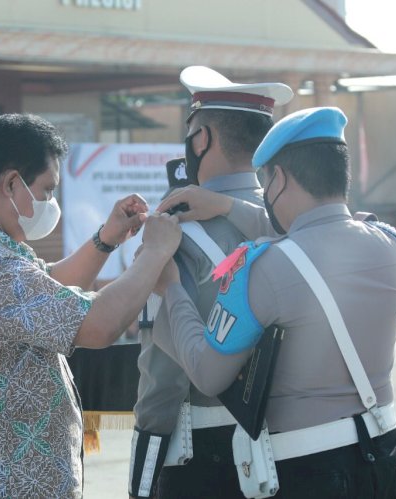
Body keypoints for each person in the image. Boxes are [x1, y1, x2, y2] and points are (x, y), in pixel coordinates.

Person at [154, 106, 396, 498]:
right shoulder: (392, 245)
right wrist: (227, 206)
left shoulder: (262, 269)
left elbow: (207, 373)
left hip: (309, 473)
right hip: (388, 459)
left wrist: (172, 287)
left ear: (278, 178)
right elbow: (313, 238)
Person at [0, 113, 182, 499]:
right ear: (10, 183)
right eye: (47, 190)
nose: (51, 203)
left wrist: (107, 239)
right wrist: (154, 254)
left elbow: (48, 287)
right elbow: (97, 324)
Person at [128, 65, 293, 499]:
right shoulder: (294, 222)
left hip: (204, 455)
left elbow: (163, 376)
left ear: (201, 140)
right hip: (293, 447)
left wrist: (142, 481)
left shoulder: (172, 234)